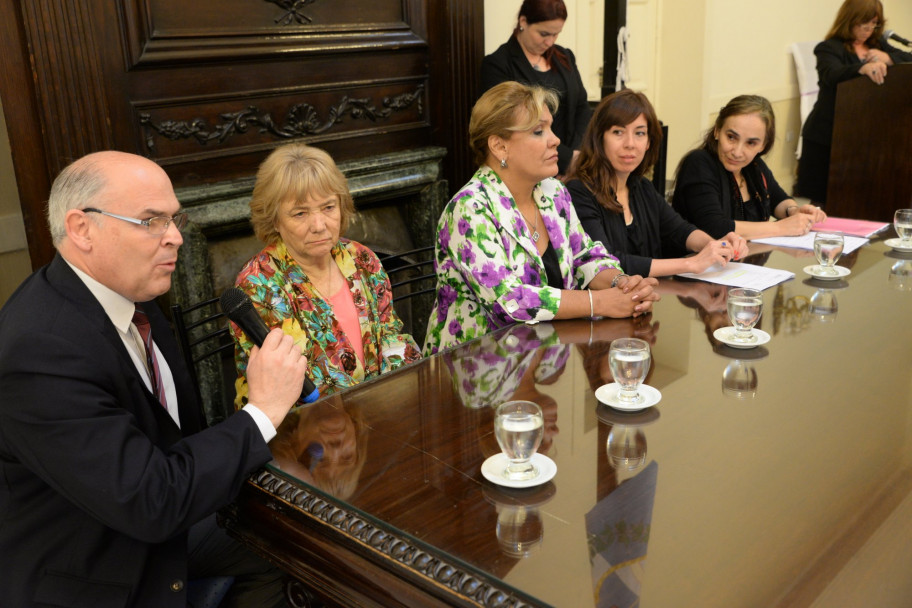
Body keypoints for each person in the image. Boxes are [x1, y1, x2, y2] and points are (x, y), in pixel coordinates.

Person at [0, 151, 308, 607]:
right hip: (92, 571)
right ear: (82, 228)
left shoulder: (134, 297)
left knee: (293, 543)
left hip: (150, 520)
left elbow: (177, 442)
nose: (176, 238)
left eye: (174, 219)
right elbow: (150, 502)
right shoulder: (39, 350)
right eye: (151, 221)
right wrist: (262, 410)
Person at [424, 81, 659, 355]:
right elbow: (510, 302)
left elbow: (585, 256)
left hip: (540, 360)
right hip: (472, 369)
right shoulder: (469, 209)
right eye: (538, 131)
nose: (555, 139)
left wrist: (623, 284)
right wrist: (599, 303)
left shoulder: (553, 191)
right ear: (500, 147)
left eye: (550, 127)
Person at [231, 143, 421, 404]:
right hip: (302, 426)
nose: (319, 225)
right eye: (300, 213)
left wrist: (401, 397)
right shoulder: (259, 283)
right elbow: (301, 386)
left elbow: (392, 336)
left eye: (328, 208)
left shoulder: (362, 259)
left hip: (380, 411)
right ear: (275, 220)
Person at [567, 89, 749, 277]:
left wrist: (716, 245)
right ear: (599, 139)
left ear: (648, 142)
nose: (630, 143)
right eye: (618, 132)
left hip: (647, 298)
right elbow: (606, 263)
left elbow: (680, 230)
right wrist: (690, 263)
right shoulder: (579, 192)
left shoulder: (641, 187)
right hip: (605, 303)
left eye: (639, 133)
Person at [794, 0, 912, 205]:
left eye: (874, 24)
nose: (868, 30)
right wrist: (860, 69)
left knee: (864, 198)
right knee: (824, 202)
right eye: (863, 24)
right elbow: (831, 74)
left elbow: (907, 57)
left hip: (866, 138)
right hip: (828, 136)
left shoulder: (877, 46)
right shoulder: (828, 48)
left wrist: (888, 58)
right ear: (849, 20)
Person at [672, 95, 828, 242]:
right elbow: (715, 228)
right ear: (717, 131)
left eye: (751, 143)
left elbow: (778, 199)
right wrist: (780, 227)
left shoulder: (753, 166)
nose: (737, 152)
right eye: (731, 137)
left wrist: (794, 211)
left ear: (763, 145)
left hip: (744, 264)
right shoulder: (699, 163)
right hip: (698, 264)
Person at [481, 0, 591, 176]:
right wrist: (567, 158)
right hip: (527, 169)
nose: (549, 42)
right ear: (523, 22)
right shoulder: (498, 65)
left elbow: (582, 107)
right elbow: (510, 125)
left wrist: (578, 153)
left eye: (556, 34)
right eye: (544, 34)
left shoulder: (565, 56)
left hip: (572, 165)